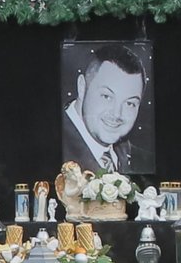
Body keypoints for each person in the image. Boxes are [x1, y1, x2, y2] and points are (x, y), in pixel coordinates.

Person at [62, 44, 154, 174]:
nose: (117, 114)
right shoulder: (53, 148)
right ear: (82, 87)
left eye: (130, 103)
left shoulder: (140, 159)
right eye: (107, 96)